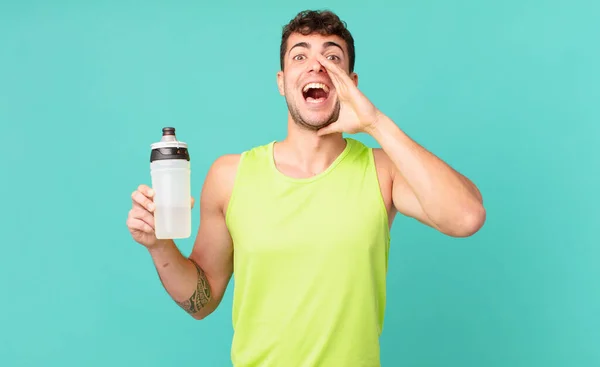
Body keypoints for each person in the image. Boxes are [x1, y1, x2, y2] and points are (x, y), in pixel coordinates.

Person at [126, 9, 486, 367]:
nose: (316, 66)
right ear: (282, 81)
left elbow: (466, 217)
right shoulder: (230, 176)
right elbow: (202, 301)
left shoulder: (382, 171)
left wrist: (375, 122)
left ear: (351, 82)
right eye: (300, 55)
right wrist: (160, 246)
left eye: (331, 57)